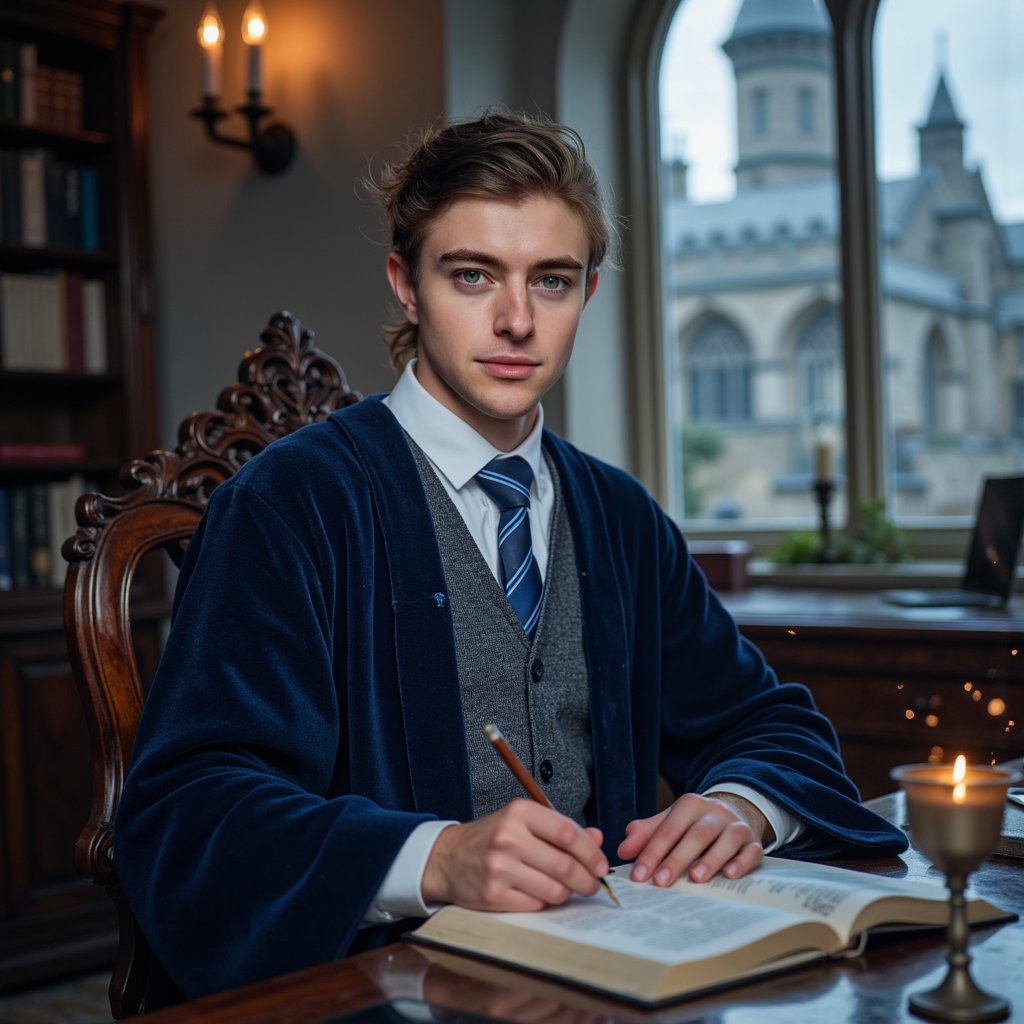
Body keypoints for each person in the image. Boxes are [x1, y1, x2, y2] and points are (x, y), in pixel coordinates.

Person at [115, 110, 907, 1008]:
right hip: (385, 991)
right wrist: (435, 858)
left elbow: (775, 727)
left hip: (615, 983)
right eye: (472, 275)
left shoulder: (620, 516)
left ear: (588, 295)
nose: (517, 320)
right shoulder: (291, 506)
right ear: (406, 286)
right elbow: (188, 812)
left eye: (553, 281)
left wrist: (741, 807)